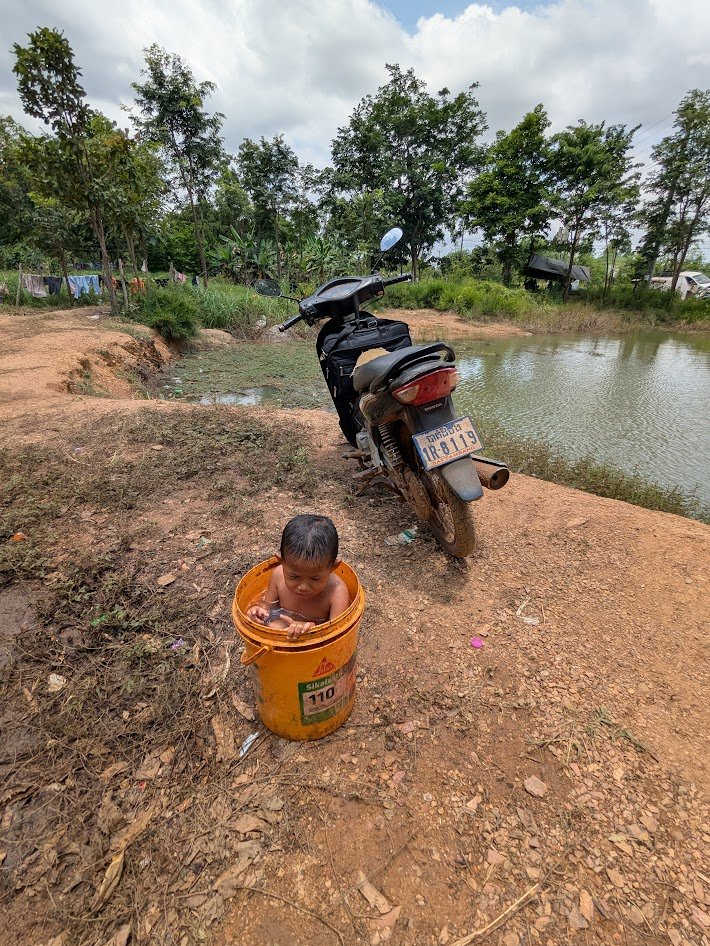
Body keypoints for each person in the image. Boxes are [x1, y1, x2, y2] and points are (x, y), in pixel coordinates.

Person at [247, 514, 351, 639]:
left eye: (315, 578)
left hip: (314, 639)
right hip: (284, 626)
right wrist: (258, 612)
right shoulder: (278, 575)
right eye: (294, 576)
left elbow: (337, 634)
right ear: (281, 562)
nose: (303, 587)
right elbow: (268, 606)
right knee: (273, 627)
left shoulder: (337, 591)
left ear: (332, 568)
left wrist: (311, 629)